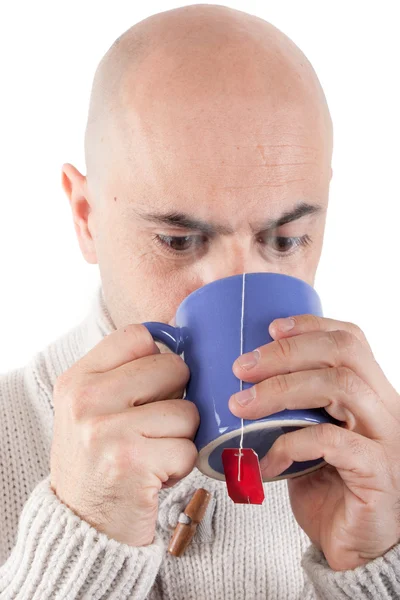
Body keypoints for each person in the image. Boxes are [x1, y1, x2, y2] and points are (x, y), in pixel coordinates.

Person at [0, 4, 399, 599]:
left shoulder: (373, 460)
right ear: (86, 218)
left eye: (286, 239)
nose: (237, 287)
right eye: (179, 240)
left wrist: (378, 567)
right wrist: (78, 545)